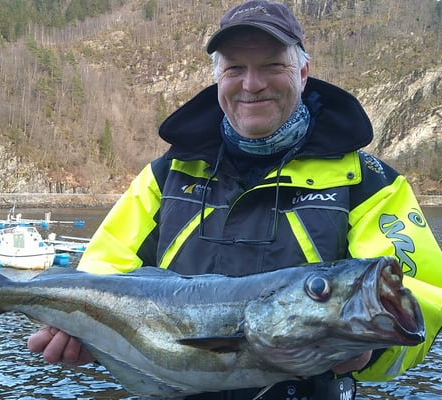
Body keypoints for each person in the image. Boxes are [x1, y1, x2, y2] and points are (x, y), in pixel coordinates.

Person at [28, 1, 442, 399]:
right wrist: (86, 334)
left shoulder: (370, 183)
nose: (252, 84)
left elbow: (423, 296)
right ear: (218, 79)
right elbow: (101, 278)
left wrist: (373, 350)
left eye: (272, 66)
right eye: (235, 68)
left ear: (303, 73)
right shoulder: (165, 176)